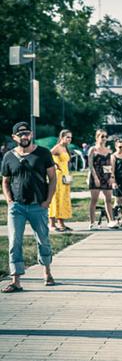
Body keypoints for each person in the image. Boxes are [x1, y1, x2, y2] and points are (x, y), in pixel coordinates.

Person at [1, 122, 57, 292]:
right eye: (21, 134)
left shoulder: (43, 153)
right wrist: (9, 199)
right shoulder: (9, 156)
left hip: (38, 205)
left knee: (43, 240)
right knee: (14, 241)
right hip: (16, 206)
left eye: (27, 133)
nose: (24, 137)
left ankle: (47, 272)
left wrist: (47, 201)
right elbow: (5, 180)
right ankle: (15, 280)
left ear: (31, 134)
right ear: (14, 137)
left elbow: (52, 178)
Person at [88, 130, 118, 229]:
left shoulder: (109, 151)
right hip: (95, 175)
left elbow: (108, 165)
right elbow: (91, 165)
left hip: (105, 176)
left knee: (108, 199)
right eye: (102, 136)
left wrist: (111, 177)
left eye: (105, 136)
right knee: (94, 200)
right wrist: (95, 178)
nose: (104, 138)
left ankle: (111, 221)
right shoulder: (93, 149)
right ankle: (93, 222)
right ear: (97, 137)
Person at [48, 129, 73, 232]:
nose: (69, 139)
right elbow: (48, 155)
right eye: (67, 137)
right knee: (55, 198)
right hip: (57, 176)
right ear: (62, 137)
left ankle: (61, 223)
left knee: (63, 199)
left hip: (65, 177)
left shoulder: (65, 148)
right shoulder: (57, 147)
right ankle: (52, 224)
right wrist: (54, 164)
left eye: (70, 137)